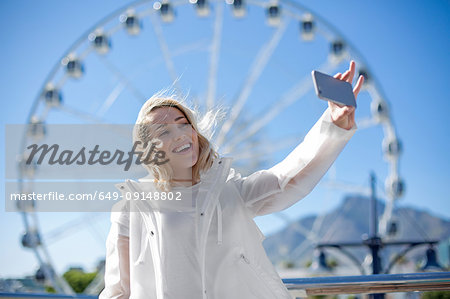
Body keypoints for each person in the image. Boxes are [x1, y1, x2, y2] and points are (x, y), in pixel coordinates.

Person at [100, 61, 364, 299]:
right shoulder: (131, 207)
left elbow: (286, 179)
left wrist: (332, 125)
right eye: (164, 131)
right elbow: (118, 291)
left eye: (184, 124)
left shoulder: (228, 190)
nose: (180, 135)